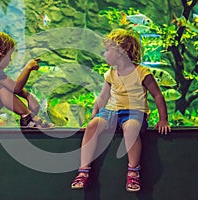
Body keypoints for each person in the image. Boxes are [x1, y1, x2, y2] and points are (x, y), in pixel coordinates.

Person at [71, 28, 171, 192]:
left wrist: (163, 119)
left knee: (131, 128)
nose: (104, 54)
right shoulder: (111, 73)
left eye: (107, 50)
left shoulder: (142, 72)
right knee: (92, 127)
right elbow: (102, 98)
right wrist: (93, 117)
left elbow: (158, 95)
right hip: (111, 111)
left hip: (134, 112)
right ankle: (83, 171)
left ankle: (133, 171)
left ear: (122, 51)